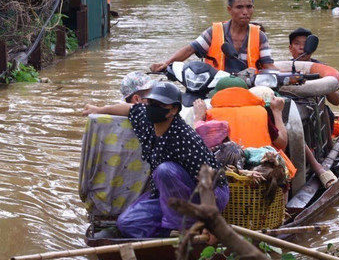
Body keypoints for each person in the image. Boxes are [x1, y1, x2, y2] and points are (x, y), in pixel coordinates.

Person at [81, 82, 229, 238]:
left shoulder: (185, 139)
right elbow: (130, 108)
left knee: (165, 170)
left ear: (173, 110)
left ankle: (182, 227)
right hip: (169, 194)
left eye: (158, 105)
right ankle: (170, 232)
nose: (151, 108)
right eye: (150, 103)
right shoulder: (147, 121)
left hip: (209, 194)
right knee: (127, 223)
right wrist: (99, 110)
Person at [150, 0, 276, 74]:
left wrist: (289, 76)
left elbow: (268, 65)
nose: (245, 12)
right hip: (215, 85)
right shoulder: (214, 32)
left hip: (250, 86)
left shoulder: (260, 36)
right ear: (229, 9)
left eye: (249, 7)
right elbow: (190, 49)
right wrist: (166, 64)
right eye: (239, 7)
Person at [288, 27, 339, 106]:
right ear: (290, 48)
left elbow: (336, 101)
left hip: (317, 112)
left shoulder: (322, 69)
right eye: (297, 43)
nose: (302, 47)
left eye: (306, 44)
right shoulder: (284, 69)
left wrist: (324, 81)